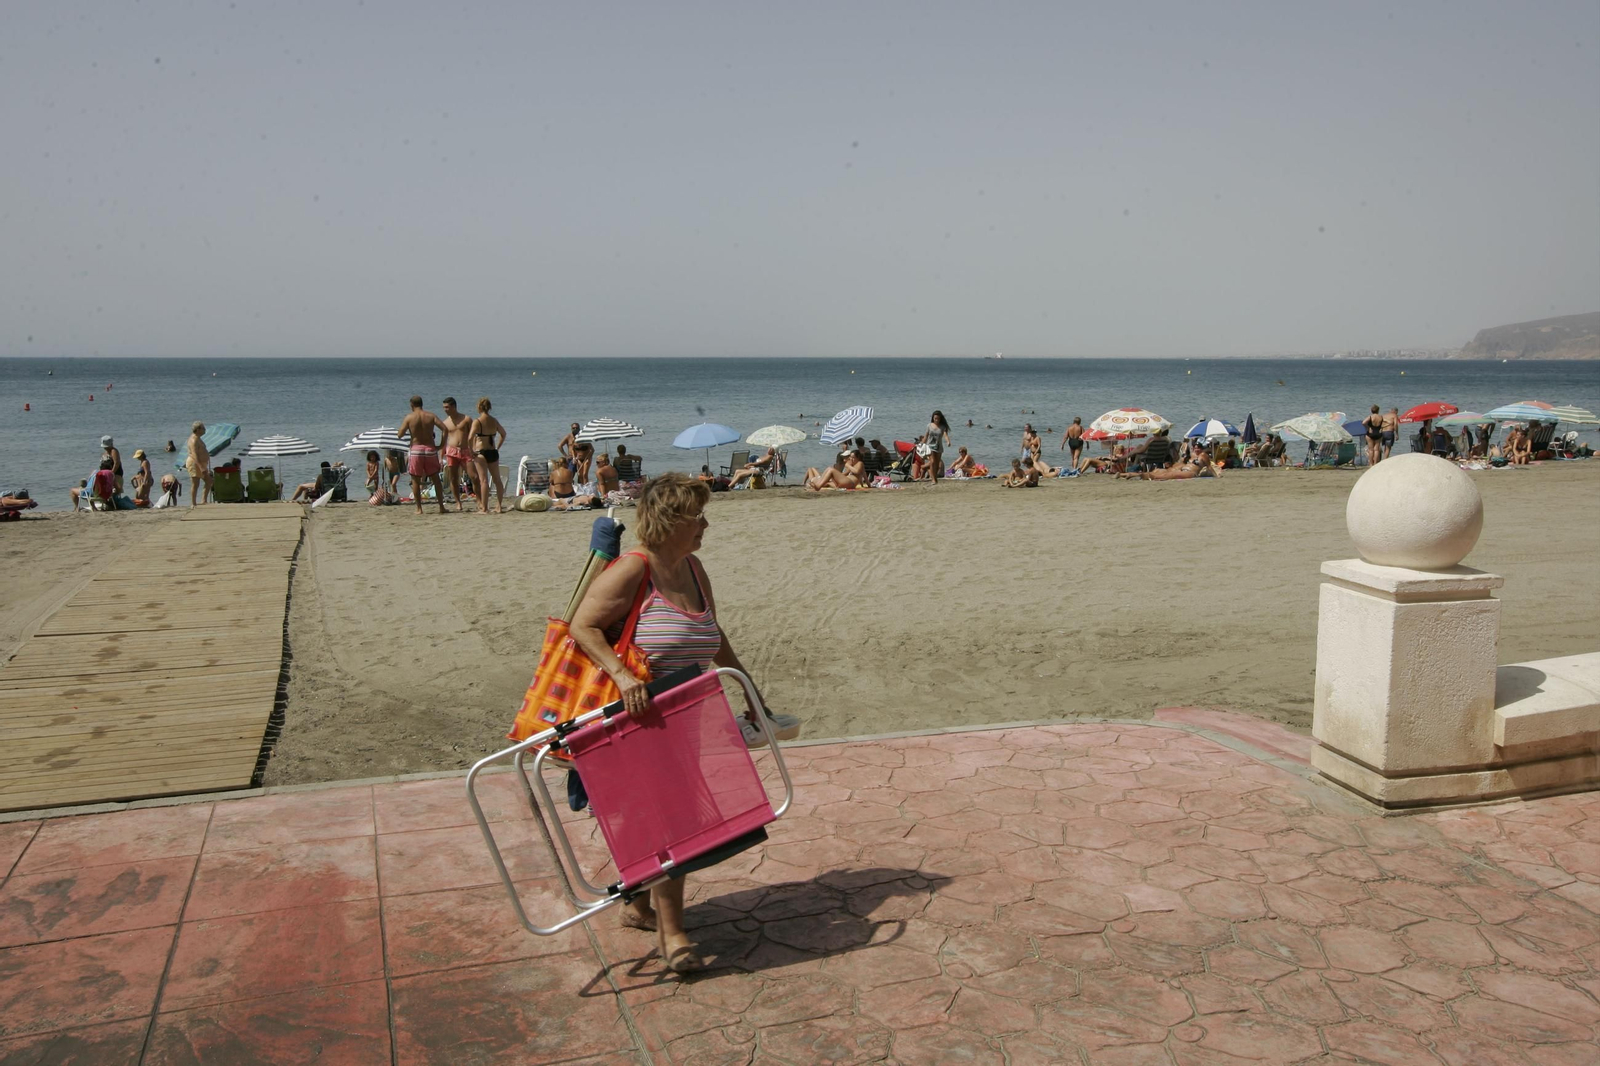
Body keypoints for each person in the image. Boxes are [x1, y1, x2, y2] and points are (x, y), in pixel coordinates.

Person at [570, 473, 799, 971]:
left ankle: (638, 905)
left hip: (685, 714)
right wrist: (623, 677)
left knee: (658, 815)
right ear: (671, 520)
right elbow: (581, 626)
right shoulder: (634, 569)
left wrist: (749, 689)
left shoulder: (693, 568)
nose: (706, 525)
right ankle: (673, 935)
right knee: (672, 818)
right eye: (698, 516)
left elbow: (714, 635)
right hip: (637, 718)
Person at [399, 396, 448, 515]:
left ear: (411, 405)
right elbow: (445, 429)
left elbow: (400, 434)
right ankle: (441, 507)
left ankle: (419, 509)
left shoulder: (409, 417)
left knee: (415, 480)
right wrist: (441, 445)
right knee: (436, 479)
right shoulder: (431, 416)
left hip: (416, 450)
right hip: (430, 449)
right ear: (422, 404)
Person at [438, 397, 477, 512]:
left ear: (454, 406)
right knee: (453, 478)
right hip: (451, 452)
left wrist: (474, 449)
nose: (445, 410)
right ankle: (458, 502)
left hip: (466, 451)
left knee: (474, 476)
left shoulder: (466, 419)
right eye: (444, 407)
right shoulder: (445, 423)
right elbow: (443, 441)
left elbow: (473, 435)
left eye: (447, 407)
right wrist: (441, 457)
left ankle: (479, 500)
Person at [471, 397, 508, 514]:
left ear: (479, 407)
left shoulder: (477, 421)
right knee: (497, 479)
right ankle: (499, 506)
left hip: (481, 452)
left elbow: (470, 437)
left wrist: (471, 450)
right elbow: (503, 434)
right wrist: (498, 447)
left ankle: (485, 508)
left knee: (483, 481)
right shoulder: (494, 421)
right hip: (492, 451)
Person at [185, 422, 213, 506]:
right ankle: (193, 503)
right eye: (203, 428)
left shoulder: (198, 438)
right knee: (195, 483)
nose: (205, 430)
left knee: (209, 481)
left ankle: (203, 500)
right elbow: (194, 454)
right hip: (195, 463)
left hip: (202, 463)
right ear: (198, 429)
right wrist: (201, 467)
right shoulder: (193, 440)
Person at [923, 410, 952, 486]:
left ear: (940, 419)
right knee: (932, 462)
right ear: (933, 418)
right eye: (935, 418)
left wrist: (948, 441)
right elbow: (926, 436)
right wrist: (921, 444)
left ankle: (934, 478)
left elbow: (945, 435)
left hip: (938, 447)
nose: (936, 420)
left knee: (936, 463)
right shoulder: (929, 426)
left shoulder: (942, 427)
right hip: (930, 446)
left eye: (938, 418)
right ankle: (933, 479)